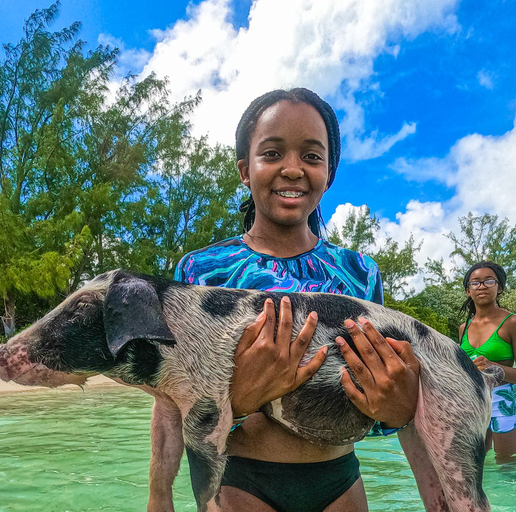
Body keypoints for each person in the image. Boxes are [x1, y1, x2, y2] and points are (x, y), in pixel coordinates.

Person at [153, 88, 422, 512]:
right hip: (239, 480)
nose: (293, 169)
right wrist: (159, 498)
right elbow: (170, 399)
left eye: (312, 157)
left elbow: (374, 400)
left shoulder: (359, 273)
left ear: (329, 173)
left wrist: (398, 411)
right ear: (246, 169)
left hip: (340, 482)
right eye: (273, 153)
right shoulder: (201, 272)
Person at [458, 261, 516, 463]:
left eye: (489, 281)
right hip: (474, 400)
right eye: (475, 283)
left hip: (504, 399)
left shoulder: (514, 323)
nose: (482, 286)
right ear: (468, 291)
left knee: (507, 464)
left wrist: (494, 367)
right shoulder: (464, 327)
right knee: (476, 463)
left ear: (499, 288)